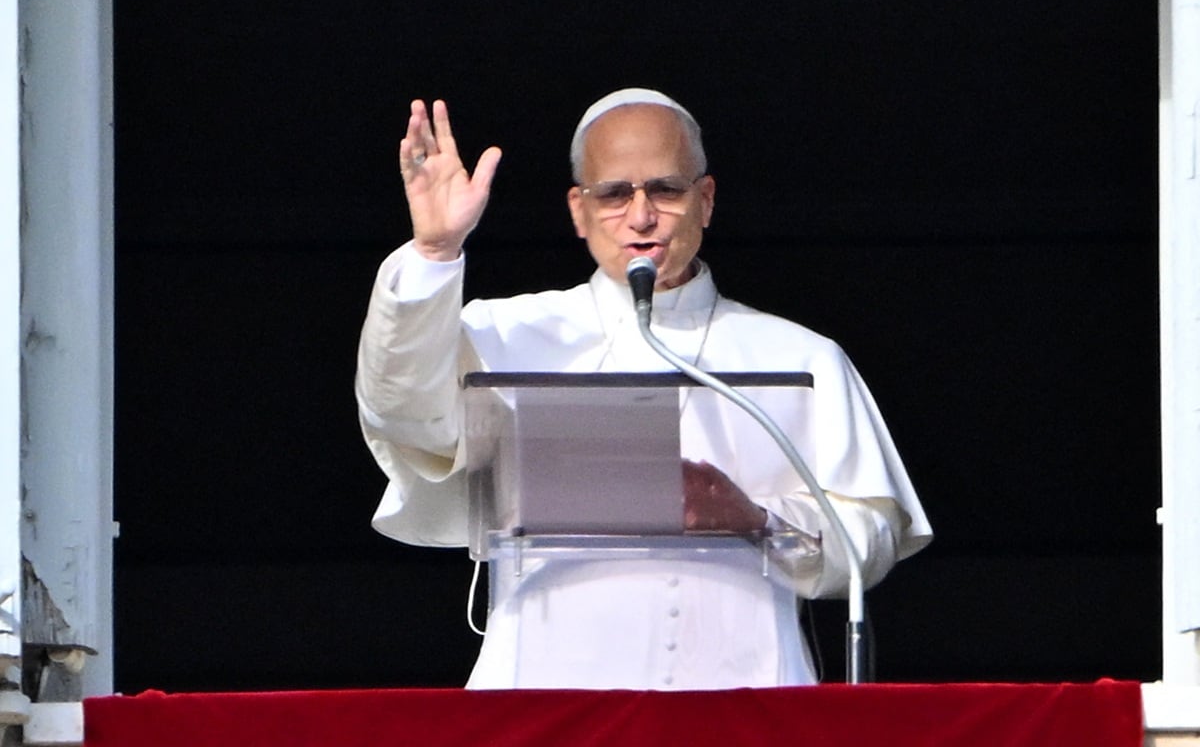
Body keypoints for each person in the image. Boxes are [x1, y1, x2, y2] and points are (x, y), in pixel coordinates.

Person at [355, 88, 932, 689]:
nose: (641, 216)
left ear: (705, 200)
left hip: (746, 698)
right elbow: (404, 416)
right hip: (545, 700)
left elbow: (870, 539)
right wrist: (435, 253)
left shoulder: (801, 357)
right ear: (578, 211)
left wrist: (756, 519)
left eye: (666, 189)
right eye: (613, 194)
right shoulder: (503, 335)